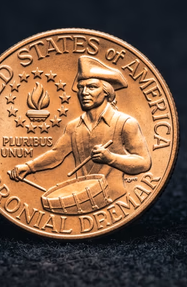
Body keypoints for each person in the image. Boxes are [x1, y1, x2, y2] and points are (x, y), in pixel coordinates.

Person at [9, 56, 152, 203]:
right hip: (82, 200)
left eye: (92, 87)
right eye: (80, 88)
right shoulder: (73, 126)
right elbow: (57, 154)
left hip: (115, 199)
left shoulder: (126, 123)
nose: (84, 93)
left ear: (106, 92)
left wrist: (111, 158)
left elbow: (144, 163)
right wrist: (28, 166)